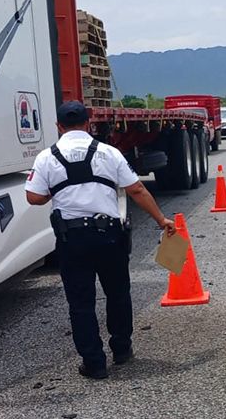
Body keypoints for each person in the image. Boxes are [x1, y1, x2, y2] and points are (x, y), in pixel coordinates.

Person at [26, 101, 177, 380]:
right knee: (118, 293)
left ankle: (94, 363)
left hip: (72, 238)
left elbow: (33, 197)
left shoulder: (46, 157)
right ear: (88, 124)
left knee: (80, 302)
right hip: (109, 235)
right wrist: (161, 220)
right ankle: (121, 349)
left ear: (58, 126)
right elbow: (137, 189)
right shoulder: (109, 153)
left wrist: (55, 192)